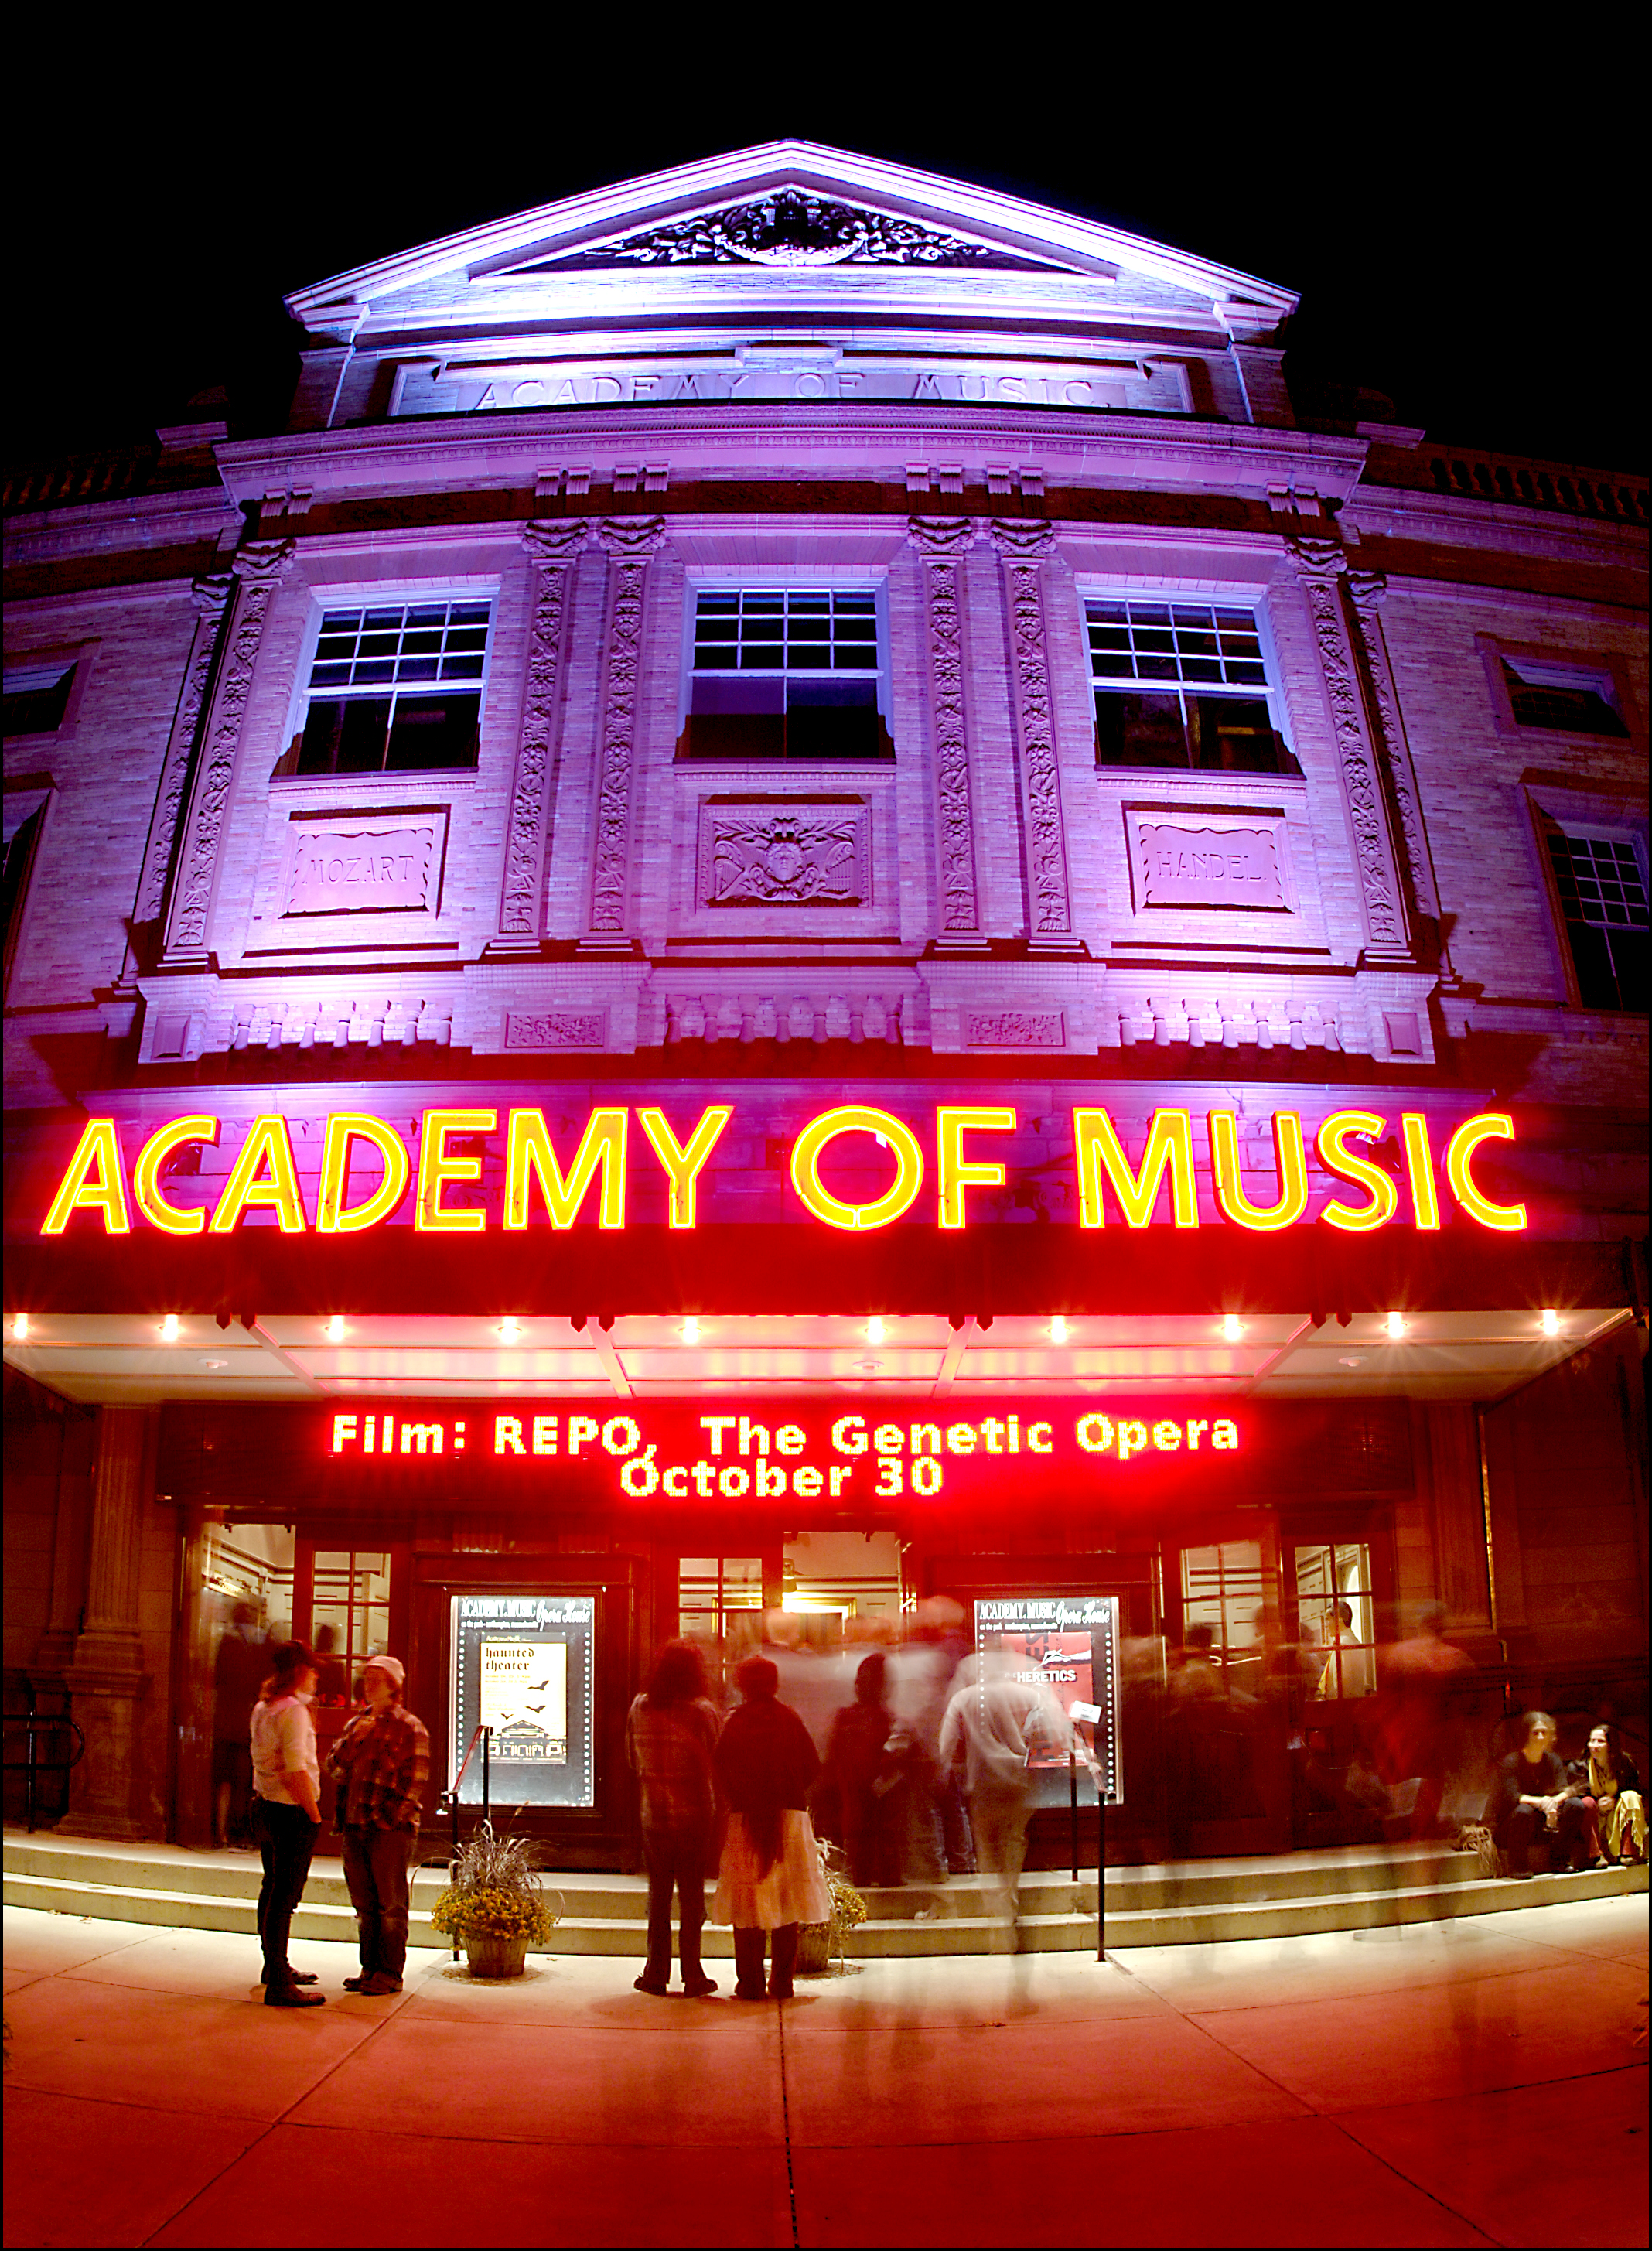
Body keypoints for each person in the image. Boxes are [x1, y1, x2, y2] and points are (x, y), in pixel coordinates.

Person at [712, 1655, 831, 2000]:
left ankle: (749, 1981)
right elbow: (812, 1765)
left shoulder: (736, 1722)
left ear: (741, 1684)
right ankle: (782, 1981)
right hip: (789, 1817)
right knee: (788, 1897)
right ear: (775, 1683)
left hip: (746, 1817)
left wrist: (740, 1795)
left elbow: (720, 1766)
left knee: (746, 1896)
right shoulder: (789, 1718)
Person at [326, 1655, 429, 1994]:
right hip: (354, 1825)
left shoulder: (409, 1726)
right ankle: (369, 1969)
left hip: (387, 1831)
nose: (367, 1684)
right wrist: (356, 1740)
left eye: (375, 1678)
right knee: (364, 1905)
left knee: (391, 1906)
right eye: (366, 1678)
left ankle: (390, 1973)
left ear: (392, 1685)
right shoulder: (357, 1723)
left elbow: (415, 1781)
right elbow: (333, 1765)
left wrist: (390, 1819)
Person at [626, 1640, 722, 1997]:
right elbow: (717, 1757)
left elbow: (632, 1759)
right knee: (692, 1897)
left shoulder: (640, 1707)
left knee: (659, 1895)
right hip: (696, 1816)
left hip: (654, 1814)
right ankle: (693, 1973)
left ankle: (655, 1972)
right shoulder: (702, 1711)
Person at [938, 1649, 1043, 1918]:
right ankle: (1010, 1896)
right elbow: (1043, 1729)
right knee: (1013, 1841)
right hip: (1018, 1780)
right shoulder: (1028, 1695)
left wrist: (943, 1774)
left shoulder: (964, 1698)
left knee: (986, 1847)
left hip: (983, 1782)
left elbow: (946, 1745)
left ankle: (998, 1908)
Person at [249, 1639, 324, 2008]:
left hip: (267, 1806)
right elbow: (296, 1768)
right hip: (291, 1811)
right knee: (285, 1897)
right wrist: (313, 1812)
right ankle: (279, 1982)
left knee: (271, 1888)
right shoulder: (292, 1711)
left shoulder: (264, 1706)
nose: (316, 1675)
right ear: (299, 1671)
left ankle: (273, 1965)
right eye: (311, 1669)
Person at [821, 1651, 903, 1888]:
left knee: (858, 1838)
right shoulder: (886, 1717)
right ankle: (888, 1876)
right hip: (881, 1788)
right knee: (885, 1835)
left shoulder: (846, 1717)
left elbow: (833, 1754)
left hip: (852, 1789)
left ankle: (861, 1875)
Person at [1487, 1711, 1589, 1876]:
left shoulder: (1553, 1759)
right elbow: (1514, 1797)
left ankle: (1559, 1860)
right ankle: (1518, 1867)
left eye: (1544, 1732)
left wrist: (1553, 1802)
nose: (1541, 1737)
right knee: (1524, 1811)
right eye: (1536, 1732)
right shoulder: (1512, 1762)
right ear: (1526, 1734)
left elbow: (1564, 1789)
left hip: (1545, 1819)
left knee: (1575, 1805)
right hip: (1515, 1824)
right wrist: (1542, 1802)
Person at [213, 1600, 269, 1849]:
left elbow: (218, 1679)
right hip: (241, 1725)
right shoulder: (254, 1645)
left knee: (230, 1782)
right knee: (242, 1781)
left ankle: (224, 1832)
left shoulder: (230, 1642)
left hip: (229, 1723)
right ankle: (235, 1832)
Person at [1570, 1724, 1647, 1868]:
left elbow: (1636, 1789)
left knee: (1631, 1797)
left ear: (1611, 1744)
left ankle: (1627, 1852)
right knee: (1586, 1802)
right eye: (1592, 1741)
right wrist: (1598, 1802)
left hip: (1616, 1813)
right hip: (1593, 1814)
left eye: (1600, 1742)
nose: (1595, 1746)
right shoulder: (1578, 1766)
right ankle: (1596, 1855)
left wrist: (1615, 1800)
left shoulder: (1625, 1763)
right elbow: (1576, 1797)